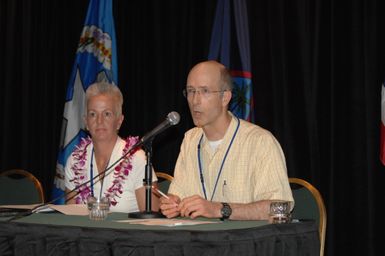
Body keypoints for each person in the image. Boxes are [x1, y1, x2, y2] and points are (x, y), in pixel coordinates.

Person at [160, 60, 293, 220]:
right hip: (198, 241)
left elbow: (279, 208)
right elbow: (178, 195)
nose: (195, 100)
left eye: (205, 91)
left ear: (225, 97)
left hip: (245, 242)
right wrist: (173, 204)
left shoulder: (260, 142)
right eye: (191, 91)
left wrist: (221, 210)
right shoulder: (190, 140)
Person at [65, 82, 159, 213]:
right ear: (86, 122)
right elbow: (69, 219)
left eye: (107, 114)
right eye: (93, 114)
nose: (99, 121)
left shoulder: (137, 159)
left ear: (119, 121)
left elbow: (152, 223)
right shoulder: (74, 161)